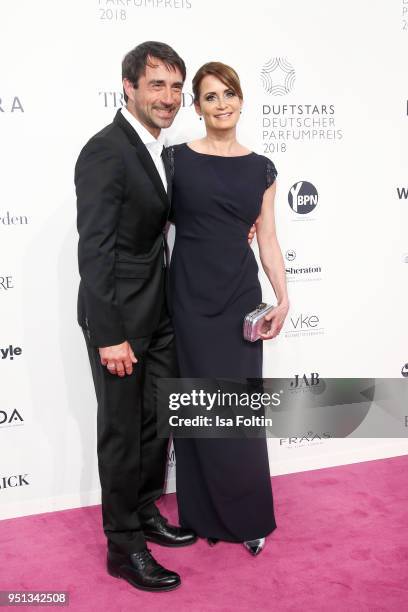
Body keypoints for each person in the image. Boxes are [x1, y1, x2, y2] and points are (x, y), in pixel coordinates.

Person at [74, 41, 198, 593]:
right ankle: (124, 546)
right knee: (123, 433)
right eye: (157, 85)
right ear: (128, 86)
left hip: (160, 311)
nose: (168, 97)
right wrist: (109, 335)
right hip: (120, 321)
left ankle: (146, 513)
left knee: (155, 425)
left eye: (175, 86)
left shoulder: (159, 149)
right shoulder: (106, 150)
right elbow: (95, 249)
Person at [168, 62, 289, 555]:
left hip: (240, 299)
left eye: (229, 94)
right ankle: (199, 516)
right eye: (210, 96)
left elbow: (268, 238)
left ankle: (248, 516)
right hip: (188, 299)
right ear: (195, 107)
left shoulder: (262, 168)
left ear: (242, 100)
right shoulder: (173, 160)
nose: (222, 104)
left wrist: (284, 297)